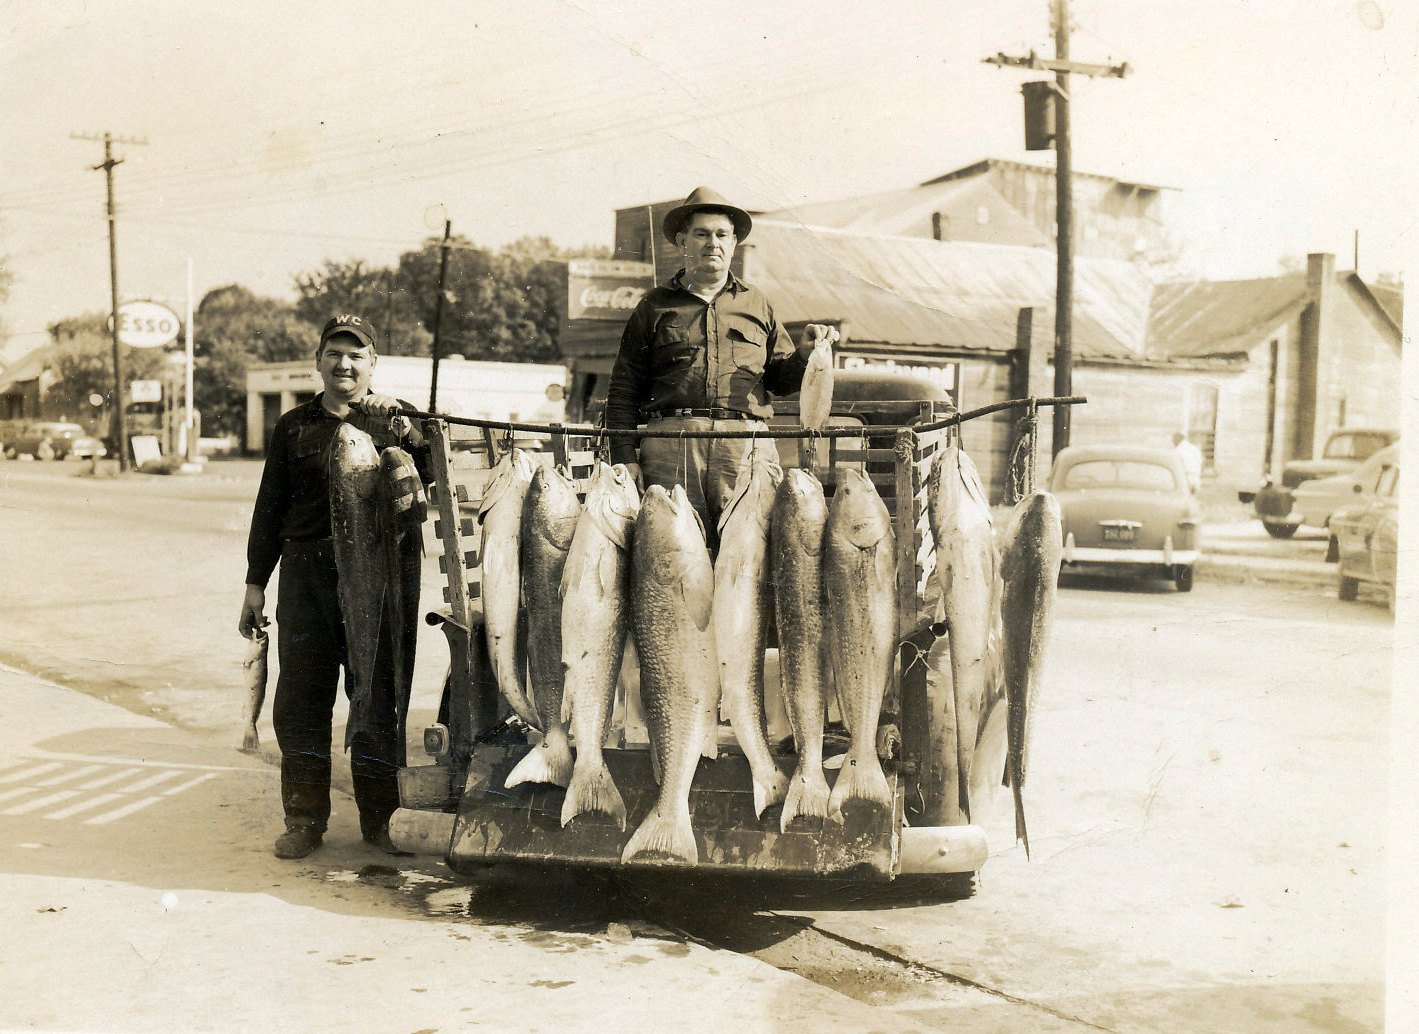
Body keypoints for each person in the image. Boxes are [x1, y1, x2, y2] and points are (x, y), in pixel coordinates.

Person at [238, 314, 432, 860]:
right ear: (319, 361)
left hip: (378, 572)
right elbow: (268, 508)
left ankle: (381, 817)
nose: (344, 365)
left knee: (378, 690)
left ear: (373, 364)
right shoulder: (293, 426)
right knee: (301, 699)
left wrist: (404, 431)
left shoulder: (398, 419)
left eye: (357, 355)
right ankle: (303, 818)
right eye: (334, 354)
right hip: (308, 576)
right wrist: (256, 584)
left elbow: (431, 476)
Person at [604, 186, 839, 543]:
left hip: (746, 448)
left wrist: (805, 355)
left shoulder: (758, 304)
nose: (712, 243)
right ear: (683, 242)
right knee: (672, 553)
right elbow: (624, 387)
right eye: (701, 234)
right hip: (672, 445)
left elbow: (779, 380)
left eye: (721, 235)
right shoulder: (652, 306)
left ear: (733, 244)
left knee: (749, 551)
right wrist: (625, 456)